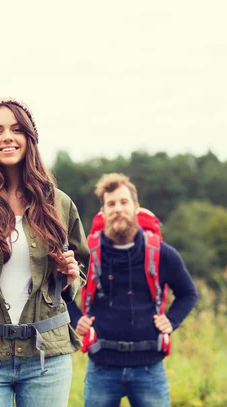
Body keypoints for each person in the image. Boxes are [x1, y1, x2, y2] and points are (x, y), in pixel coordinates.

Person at [0, 97, 90, 407]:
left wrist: (70, 274)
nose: (6, 137)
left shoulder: (59, 203)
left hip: (46, 356)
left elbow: (80, 271)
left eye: (15, 129)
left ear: (29, 137)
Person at [71, 173, 198, 407]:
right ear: (103, 211)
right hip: (102, 366)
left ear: (136, 207)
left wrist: (171, 321)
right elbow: (59, 290)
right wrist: (75, 318)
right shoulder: (87, 253)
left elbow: (188, 293)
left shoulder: (162, 253)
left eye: (123, 202)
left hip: (149, 368)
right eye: (111, 204)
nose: (118, 209)